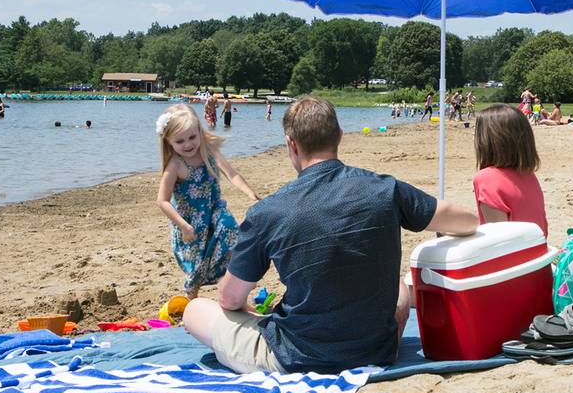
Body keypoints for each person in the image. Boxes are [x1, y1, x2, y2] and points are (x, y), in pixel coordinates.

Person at [183, 96, 477, 374]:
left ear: (291, 145)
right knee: (399, 287)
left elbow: (230, 299)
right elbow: (466, 221)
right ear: (339, 136)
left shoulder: (267, 212)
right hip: (376, 349)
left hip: (297, 355)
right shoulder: (385, 190)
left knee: (195, 309)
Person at [156, 104, 259, 295]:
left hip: (215, 212)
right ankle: (191, 296)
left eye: (192, 137)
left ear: (199, 132)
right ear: (169, 142)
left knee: (233, 236)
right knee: (196, 267)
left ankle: (231, 288)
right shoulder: (175, 165)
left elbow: (232, 174)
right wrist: (184, 226)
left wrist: (250, 193)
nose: (188, 144)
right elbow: (162, 201)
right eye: (180, 141)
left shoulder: (208, 150)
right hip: (190, 223)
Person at [472, 103, 548, 236]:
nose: (473, 137)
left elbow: (498, 238)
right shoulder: (528, 174)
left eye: (477, 132)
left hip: (516, 254)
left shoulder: (487, 178)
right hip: (538, 251)